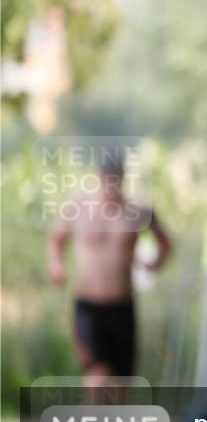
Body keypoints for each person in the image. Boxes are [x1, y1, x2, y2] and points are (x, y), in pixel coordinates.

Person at [48, 151, 172, 381]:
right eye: (108, 179)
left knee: (120, 385)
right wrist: (56, 265)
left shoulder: (138, 213)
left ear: (124, 179)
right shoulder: (78, 209)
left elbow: (165, 244)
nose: (112, 186)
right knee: (99, 376)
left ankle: (110, 418)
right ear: (99, 177)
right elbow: (57, 242)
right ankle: (93, 418)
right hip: (88, 308)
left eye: (117, 180)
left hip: (122, 308)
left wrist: (153, 263)